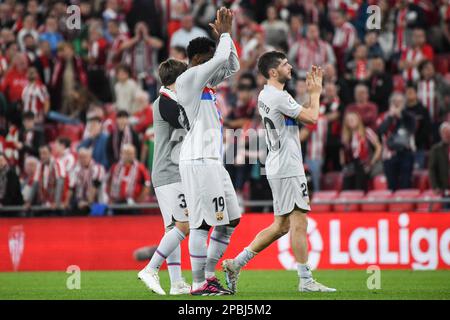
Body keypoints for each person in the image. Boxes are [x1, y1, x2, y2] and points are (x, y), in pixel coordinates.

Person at [222, 52, 336, 293]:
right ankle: (306, 280)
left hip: (277, 164)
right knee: (299, 222)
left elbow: (296, 116)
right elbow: (312, 118)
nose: (290, 67)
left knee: (281, 225)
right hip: (287, 166)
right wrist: (315, 94)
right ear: (273, 72)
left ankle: (235, 263)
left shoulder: (267, 94)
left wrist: (308, 96)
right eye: (285, 65)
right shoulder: (278, 96)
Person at [175, 7, 241, 295]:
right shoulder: (188, 79)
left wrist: (229, 36)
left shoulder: (207, 82)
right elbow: (219, 60)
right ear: (200, 59)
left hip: (213, 161)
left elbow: (232, 66)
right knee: (202, 225)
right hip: (198, 160)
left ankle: (209, 274)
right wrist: (224, 34)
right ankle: (199, 283)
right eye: (210, 58)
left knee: (231, 220)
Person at [137, 59, 191, 296]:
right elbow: (188, 124)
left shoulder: (167, 101)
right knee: (185, 225)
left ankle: (177, 283)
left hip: (167, 172)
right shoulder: (166, 103)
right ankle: (151, 268)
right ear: (179, 80)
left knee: (173, 228)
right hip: (170, 173)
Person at [378, 93, 416, 191]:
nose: (397, 104)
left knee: (406, 183)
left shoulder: (409, 116)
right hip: (389, 154)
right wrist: (391, 117)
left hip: (406, 152)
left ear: (404, 103)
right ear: (390, 103)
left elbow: (411, 129)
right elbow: (381, 131)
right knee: (391, 184)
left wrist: (400, 116)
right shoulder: (384, 116)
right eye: (395, 102)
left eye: (400, 102)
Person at [340, 112, 382, 191]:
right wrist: (343, 164)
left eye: (353, 119)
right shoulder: (345, 136)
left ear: (358, 120)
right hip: (351, 166)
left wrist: (372, 162)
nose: (351, 121)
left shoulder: (367, 131)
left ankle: (359, 197)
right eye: (348, 120)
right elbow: (342, 151)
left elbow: (378, 147)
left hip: (365, 165)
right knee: (347, 179)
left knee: (359, 176)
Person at [71, 147, 105, 214]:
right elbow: (72, 188)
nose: (82, 159)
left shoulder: (98, 168)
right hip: (81, 202)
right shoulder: (76, 169)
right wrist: (78, 202)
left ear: (90, 157)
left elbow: (95, 185)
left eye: (85, 157)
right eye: (80, 157)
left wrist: (88, 203)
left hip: (97, 203)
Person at [428, 122, 449, 195]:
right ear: (440, 134)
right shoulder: (435, 149)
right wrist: (435, 186)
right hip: (444, 188)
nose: (446, 135)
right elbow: (432, 169)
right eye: (444, 133)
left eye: (448, 132)